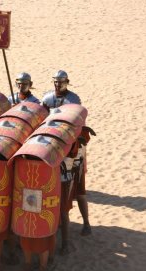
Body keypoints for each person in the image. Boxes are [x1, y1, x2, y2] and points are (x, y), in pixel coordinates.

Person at [41, 70, 92, 254]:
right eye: (55, 82)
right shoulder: (47, 98)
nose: (57, 85)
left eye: (61, 82)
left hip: (72, 152)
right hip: (52, 144)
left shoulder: (73, 99)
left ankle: (86, 223)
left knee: (79, 191)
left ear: (67, 82)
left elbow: (76, 126)